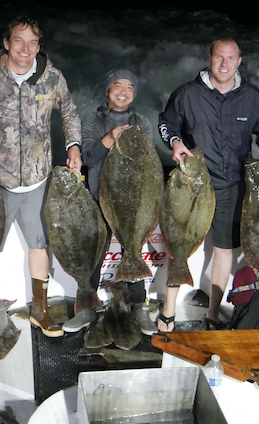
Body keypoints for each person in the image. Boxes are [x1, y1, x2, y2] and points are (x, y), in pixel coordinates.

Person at [0, 16, 82, 340]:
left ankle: (40, 310)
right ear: (6, 43)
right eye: (19, 41)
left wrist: (74, 148)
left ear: (39, 46)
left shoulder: (52, 78)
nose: (25, 49)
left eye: (33, 42)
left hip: (38, 181)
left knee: (40, 246)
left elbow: (69, 113)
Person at [157, 35, 259, 331]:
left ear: (239, 61)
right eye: (218, 57)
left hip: (232, 185)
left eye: (230, 58)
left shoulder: (254, 97)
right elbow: (166, 123)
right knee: (179, 247)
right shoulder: (187, 94)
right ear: (209, 59)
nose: (224, 64)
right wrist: (174, 142)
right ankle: (169, 309)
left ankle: (213, 313)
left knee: (225, 250)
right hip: (192, 185)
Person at [62, 69, 158, 335]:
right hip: (99, 199)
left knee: (134, 250)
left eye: (129, 87)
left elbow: (148, 164)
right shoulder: (93, 119)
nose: (123, 92)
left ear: (134, 93)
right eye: (118, 86)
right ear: (108, 90)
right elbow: (89, 158)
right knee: (94, 256)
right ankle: (86, 308)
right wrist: (110, 138)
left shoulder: (143, 122)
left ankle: (139, 306)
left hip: (134, 202)